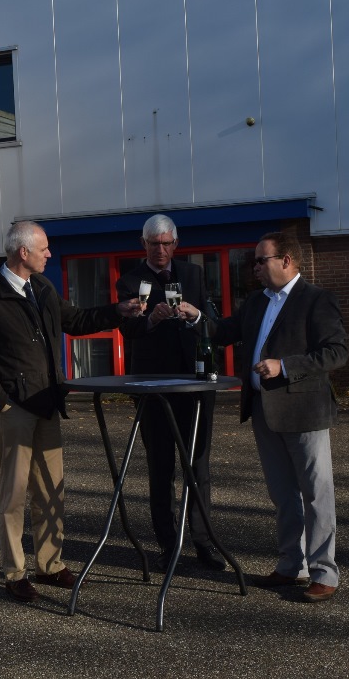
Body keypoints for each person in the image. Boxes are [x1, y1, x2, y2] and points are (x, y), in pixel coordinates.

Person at [0, 220, 144, 603]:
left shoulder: (41, 287)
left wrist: (118, 311)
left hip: (47, 403)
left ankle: (50, 563)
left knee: (51, 491)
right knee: (13, 495)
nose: (50, 254)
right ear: (22, 252)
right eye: (44, 249)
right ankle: (15, 573)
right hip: (17, 409)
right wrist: (2, 403)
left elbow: (76, 320)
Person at [196, 231, 348, 603]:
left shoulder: (316, 300)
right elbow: (224, 332)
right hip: (265, 410)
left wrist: (285, 366)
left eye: (261, 260)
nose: (255, 268)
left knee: (316, 495)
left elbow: (336, 352)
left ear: (287, 261)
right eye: (255, 261)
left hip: (305, 412)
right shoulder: (256, 302)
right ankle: (290, 566)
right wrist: (196, 316)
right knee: (282, 495)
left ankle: (324, 573)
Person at [116, 214, 227, 571]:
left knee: (198, 467)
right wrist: (150, 320)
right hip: (153, 387)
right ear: (143, 244)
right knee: (160, 467)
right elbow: (128, 331)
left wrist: (194, 318)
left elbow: (207, 324)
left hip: (194, 383)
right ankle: (167, 544)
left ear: (176, 244)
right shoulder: (130, 280)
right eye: (154, 244)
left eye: (166, 243)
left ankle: (203, 542)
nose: (160, 250)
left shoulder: (193, 275)